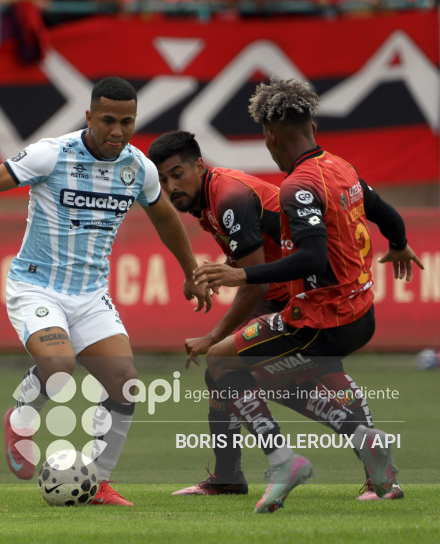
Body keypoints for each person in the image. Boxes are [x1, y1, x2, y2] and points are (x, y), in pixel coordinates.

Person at [0, 77, 211, 506]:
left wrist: (191, 270)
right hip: (36, 287)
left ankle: (98, 481)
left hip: (90, 295)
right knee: (59, 366)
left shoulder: (139, 168)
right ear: (88, 117)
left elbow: (167, 220)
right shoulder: (52, 154)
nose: (117, 131)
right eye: (108, 121)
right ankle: (21, 417)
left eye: (127, 122)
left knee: (126, 384)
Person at [192, 78, 424, 513]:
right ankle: (372, 453)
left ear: (271, 136)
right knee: (268, 376)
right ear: (312, 125)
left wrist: (243, 277)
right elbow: (386, 214)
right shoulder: (342, 168)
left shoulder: (297, 187)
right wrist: (399, 243)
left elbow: (313, 258)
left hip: (321, 318)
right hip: (362, 314)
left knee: (222, 360)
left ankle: (283, 462)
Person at [149, 130, 410, 501]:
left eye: (177, 174)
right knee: (228, 373)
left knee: (243, 367)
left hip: (299, 295)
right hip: (294, 291)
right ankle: (230, 475)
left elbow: (252, 280)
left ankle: (321, 466)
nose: (171, 186)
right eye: (162, 180)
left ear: (199, 166)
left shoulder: (229, 197)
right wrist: (212, 273)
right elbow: (254, 251)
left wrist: (213, 335)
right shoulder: (211, 197)